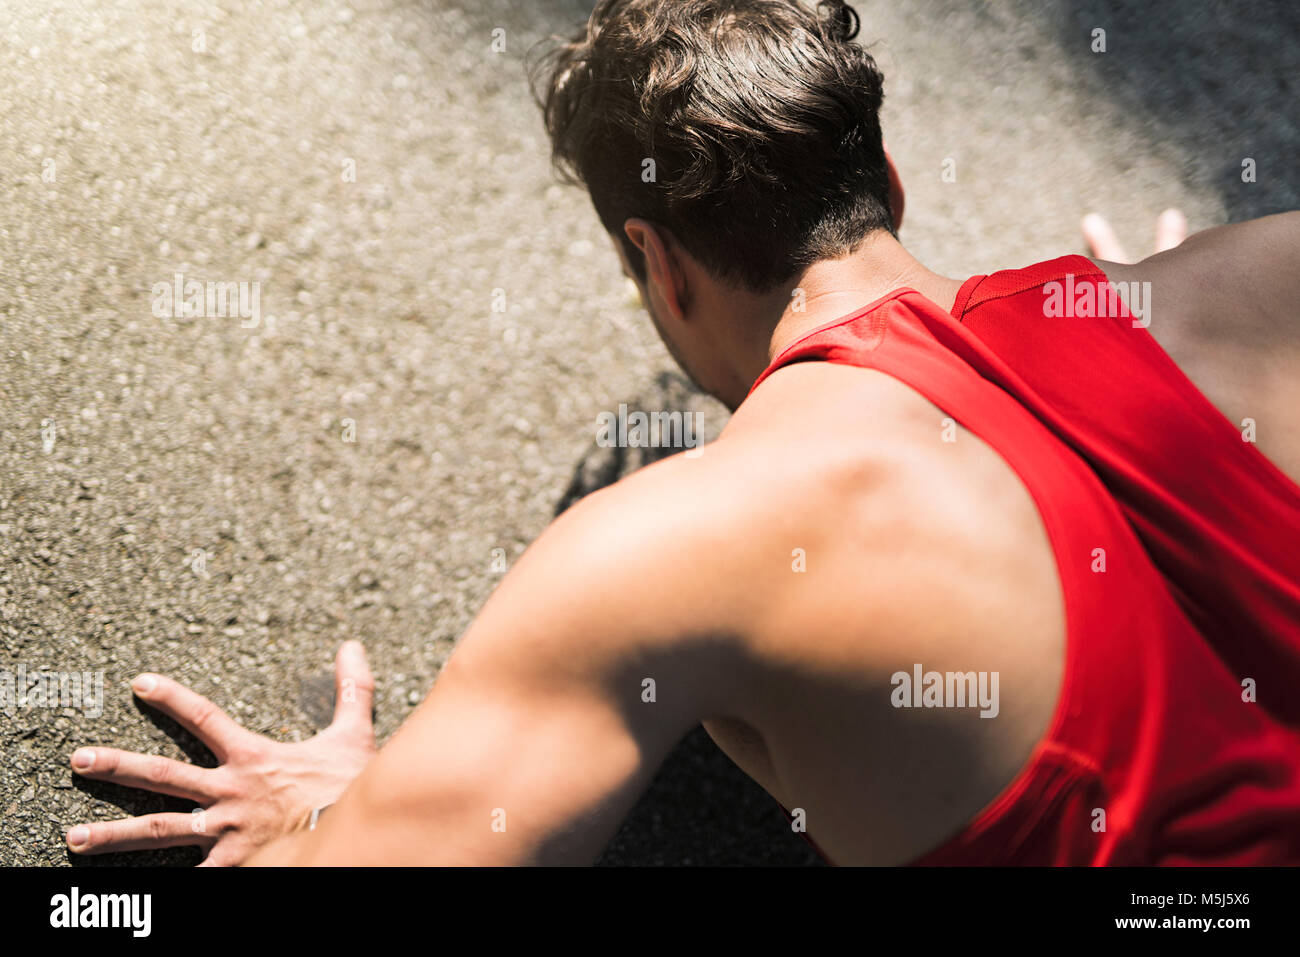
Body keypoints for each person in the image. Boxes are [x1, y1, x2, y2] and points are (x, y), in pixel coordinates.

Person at [62, 0, 1300, 866]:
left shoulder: (665, 554)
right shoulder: (1258, 285)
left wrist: (338, 820)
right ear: (886, 178)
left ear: (655, 261)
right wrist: (1152, 296)